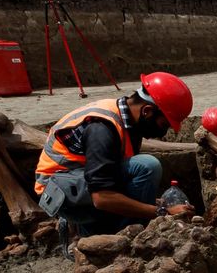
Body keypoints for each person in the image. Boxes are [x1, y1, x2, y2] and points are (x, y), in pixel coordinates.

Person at [35, 71, 196, 255]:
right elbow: (102, 197)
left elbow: (111, 177)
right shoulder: (101, 129)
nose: (163, 133)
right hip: (61, 194)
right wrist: (162, 212)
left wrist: (161, 205)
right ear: (147, 111)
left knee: (141, 168)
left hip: (81, 181)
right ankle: (120, 244)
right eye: (163, 125)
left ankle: (101, 232)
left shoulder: (129, 122)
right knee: (147, 166)